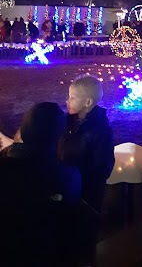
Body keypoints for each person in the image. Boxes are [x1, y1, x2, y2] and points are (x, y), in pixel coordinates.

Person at [0, 102, 82, 265]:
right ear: (59, 135)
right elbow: (70, 226)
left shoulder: (4, 167)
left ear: (22, 130)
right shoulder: (67, 176)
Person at [59, 75, 115, 213]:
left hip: (86, 197)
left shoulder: (100, 130)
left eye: (72, 98)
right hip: (65, 188)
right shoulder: (66, 123)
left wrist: (80, 178)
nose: (67, 101)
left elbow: (103, 166)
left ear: (88, 102)